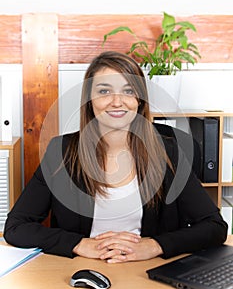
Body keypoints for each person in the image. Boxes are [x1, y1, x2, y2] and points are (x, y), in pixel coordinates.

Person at [4, 51, 227, 263]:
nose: (117, 101)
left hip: (147, 274)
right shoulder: (62, 152)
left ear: (139, 100)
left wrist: (155, 246)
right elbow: (16, 226)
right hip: (81, 270)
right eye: (104, 91)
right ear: (89, 101)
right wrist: (79, 244)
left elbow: (215, 226)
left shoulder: (169, 152)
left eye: (128, 91)